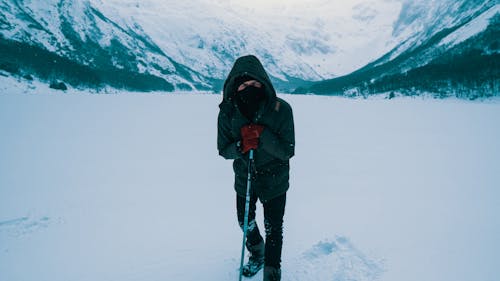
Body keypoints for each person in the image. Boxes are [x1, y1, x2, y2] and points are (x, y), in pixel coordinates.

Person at [217, 55, 295, 281]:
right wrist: (241, 145)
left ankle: (272, 271)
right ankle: (257, 253)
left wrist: (262, 135)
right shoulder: (228, 112)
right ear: (234, 86)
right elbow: (223, 149)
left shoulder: (281, 110)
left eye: (253, 84)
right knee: (245, 221)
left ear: (263, 83)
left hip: (275, 179)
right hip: (245, 177)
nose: (248, 88)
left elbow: (287, 150)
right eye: (243, 85)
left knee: (274, 228)